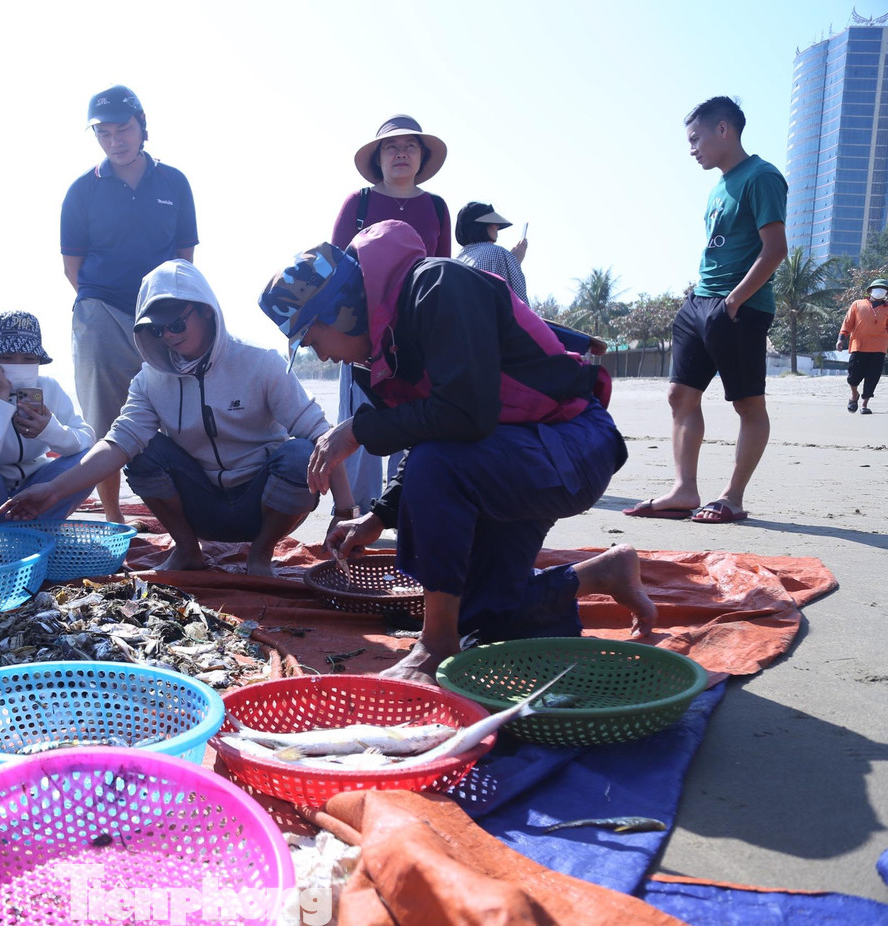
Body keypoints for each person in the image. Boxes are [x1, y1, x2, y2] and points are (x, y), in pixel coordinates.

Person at [259, 222, 653, 682]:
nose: (320, 356)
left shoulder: (439, 286)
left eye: (312, 339)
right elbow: (429, 431)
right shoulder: (376, 356)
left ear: (343, 310)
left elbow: (465, 415)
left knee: (438, 468)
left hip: (571, 445)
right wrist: (380, 516)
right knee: (485, 622)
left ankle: (435, 642)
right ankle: (602, 574)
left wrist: (357, 431)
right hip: (503, 459)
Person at [1, 260, 351, 577]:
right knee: (144, 450)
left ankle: (260, 554)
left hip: (262, 507)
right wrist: (52, 490)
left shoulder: (261, 364)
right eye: (157, 329)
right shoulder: (149, 380)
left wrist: (345, 510)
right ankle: (186, 550)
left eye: (177, 322)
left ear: (207, 312)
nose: (168, 334)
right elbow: (117, 443)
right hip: (201, 508)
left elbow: (323, 436)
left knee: (301, 453)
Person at [624, 97, 787, 524]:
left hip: (739, 306)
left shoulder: (762, 176)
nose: (691, 148)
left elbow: (775, 250)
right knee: (680, 394)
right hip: (700, 301)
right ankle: (684, 489)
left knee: (748, 404)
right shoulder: (719, 185)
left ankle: (732, 497)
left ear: (723, 130)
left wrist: (734, 301)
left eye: (696, 138)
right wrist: (700, 298)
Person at [60, 85, 198, 527]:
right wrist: (105, 308)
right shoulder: (82, 190)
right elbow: (72, 269)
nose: (115, 140)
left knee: (180, 408)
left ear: (142, 128)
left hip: (159, 316)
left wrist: (169, 313)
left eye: (123, 129)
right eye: (104, 133)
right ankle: (114, 514)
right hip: (100, 308)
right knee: (105, 416)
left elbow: (184, 257)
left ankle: (192, 507)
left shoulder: (174, 182)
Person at [329, 115, 452, 517]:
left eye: (410, 146)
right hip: (364, 338)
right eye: (390, 147)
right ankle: (356, 514)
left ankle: (402, 513)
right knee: (361, 425)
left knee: (412, 424)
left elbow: (444, 271)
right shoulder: (358, 203)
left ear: (422, 156)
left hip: (419, 338)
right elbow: (334, 271)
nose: (401, 153)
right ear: (378, 158)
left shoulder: (436, 207)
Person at [0, 311, 96, 528]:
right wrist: (1, 398)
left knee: (88, 460)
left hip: (35, 490)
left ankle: (41, 530)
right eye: (7, 358)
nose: (18, 364)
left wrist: (49, 429)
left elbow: (86, 439)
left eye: (28, 359)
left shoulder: (49, 387)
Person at [454, 201, 529, 305]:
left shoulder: (456, 260)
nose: (497, 226)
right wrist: (513, 262)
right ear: (482, 225)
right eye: (494, 222)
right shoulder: (499, 253)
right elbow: (521, 307)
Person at [836, 279, 888, 415]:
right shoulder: (857, 304)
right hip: (858, 347)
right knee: (853, 377)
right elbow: (847, 324)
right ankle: (854, 395)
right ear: (870, 291)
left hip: (879, 349)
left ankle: (864, 405)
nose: (880, 291)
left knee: (872, 378)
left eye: (883, 289)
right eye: (877, 288)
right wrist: (841, 339)